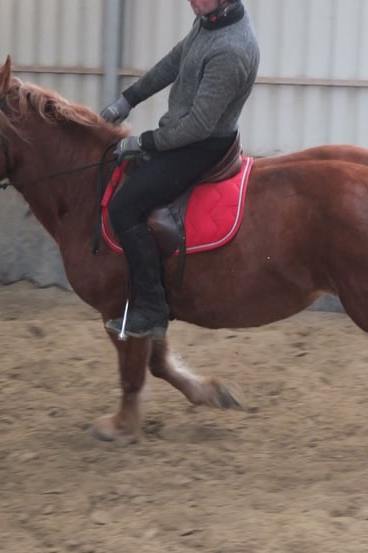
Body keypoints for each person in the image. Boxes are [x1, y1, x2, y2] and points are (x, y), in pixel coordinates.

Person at [100, 0, 259, 340]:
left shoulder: (231, 49)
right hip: (188, 135)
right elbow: (175, 60)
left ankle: (152, 310)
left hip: (200, 145)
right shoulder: (209, 21)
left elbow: (198, 126)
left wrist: (142, 142)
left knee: (124, 207)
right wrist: (127, 99)